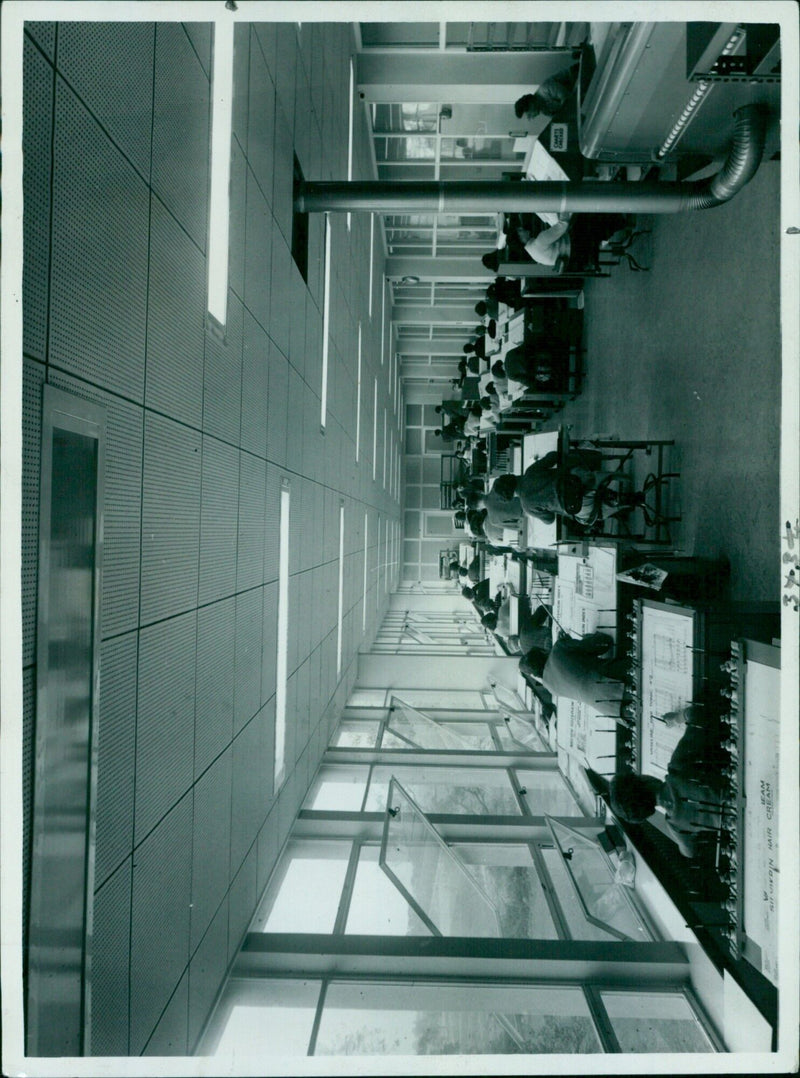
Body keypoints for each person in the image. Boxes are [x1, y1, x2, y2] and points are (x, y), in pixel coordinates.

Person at [608, 707, 727, 858]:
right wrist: (678, 717)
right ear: (645, 780)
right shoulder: (678, 767)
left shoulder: (674, 825)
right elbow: (699, 714)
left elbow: (689, 852)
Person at [521, 630, 629, 712]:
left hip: (612, 708)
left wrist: (568, 646)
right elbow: (604, 643)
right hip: (617, 679)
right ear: (543, 652)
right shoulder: (559, 648)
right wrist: (583, 639)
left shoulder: (549, 687)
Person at [514, 62, 580, 119]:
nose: (531, 117)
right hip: (576, 91)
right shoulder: (545, 111)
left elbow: (566, 97)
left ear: (531, 104)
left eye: (529, 114)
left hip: (577, 74)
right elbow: (558, 118)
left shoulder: (545, 89)